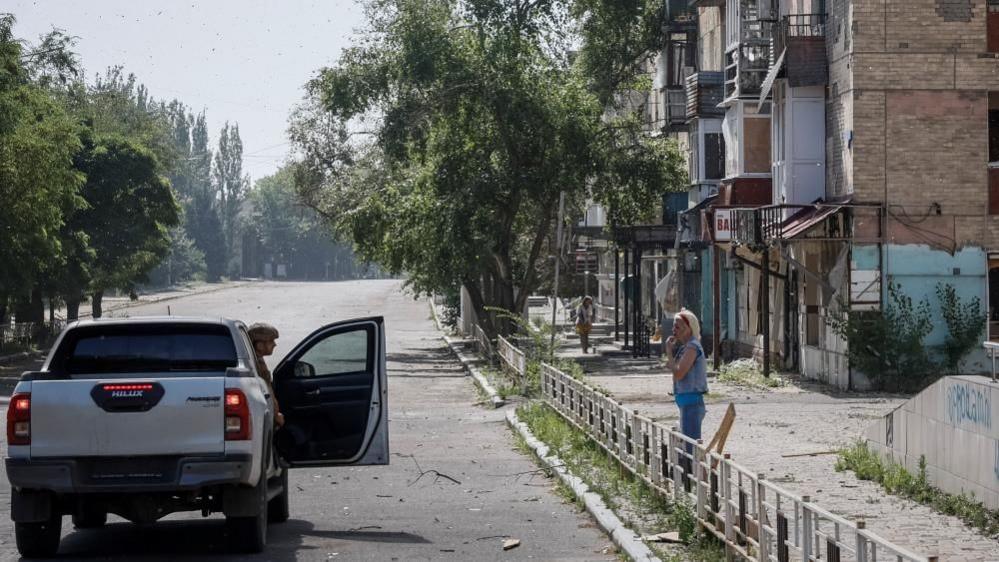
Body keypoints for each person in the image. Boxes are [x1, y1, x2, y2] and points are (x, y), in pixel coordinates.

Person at [665, 309, 707, 444]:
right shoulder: (686, 347)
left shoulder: (692, 347)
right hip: (686, 401)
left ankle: (694, 466)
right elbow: (676, 371)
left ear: (688, 328)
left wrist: (669, 353)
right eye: (673, 326)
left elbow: (678, 373)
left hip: (692, 402)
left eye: (677, 326)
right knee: (687, 445)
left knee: (691, 447)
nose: (673, 330)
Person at [247, 322, 285, 427]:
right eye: (271, 341)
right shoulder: (256, 365)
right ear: (259, 345)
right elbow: (267, 392)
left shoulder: (257, 361)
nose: (274, 344)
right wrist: (276, 416)